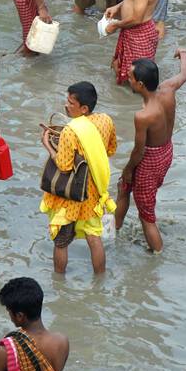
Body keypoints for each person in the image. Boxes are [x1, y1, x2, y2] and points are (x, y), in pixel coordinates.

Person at [39, 81, 117, 274]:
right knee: (94, 238)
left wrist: (47, 145)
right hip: (93, 193)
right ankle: (100, 281)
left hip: (71, 197)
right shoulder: (106, 120)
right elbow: (110, 149)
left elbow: (64, 166)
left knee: (61, 241)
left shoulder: (70, 131)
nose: (66, 106)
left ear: (84, 108)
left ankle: (59, 283)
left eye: (71, 103)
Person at [115, 50, 186, 251]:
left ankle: (157, 255)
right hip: (166, 151)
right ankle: (114, 230)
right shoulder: (167, 89)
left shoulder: (144, 115)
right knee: (123, 187)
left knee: (146, 216)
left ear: (140, 84)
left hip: (149, 161)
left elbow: (139, 152)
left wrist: (128, 169)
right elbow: (184, 74)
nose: (126, 79)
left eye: (130, 77)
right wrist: (183, 54)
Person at [0, 277, 68, 371]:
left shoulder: (5, 351)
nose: (9, 315)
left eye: (9, 311)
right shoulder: (62, 342)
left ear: (19, 316)